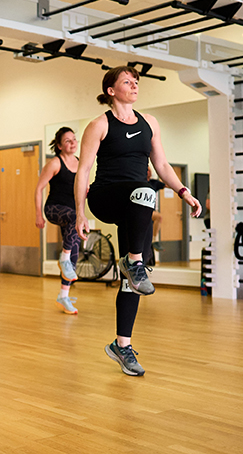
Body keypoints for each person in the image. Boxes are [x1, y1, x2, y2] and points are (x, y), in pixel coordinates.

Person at [75, 66, 201, 376]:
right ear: (111, 91)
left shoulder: (150, 124)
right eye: (127, 82)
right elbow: (83, 171)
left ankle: (122, 345)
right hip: (105, 196)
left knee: (134, 283)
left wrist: (184, 192)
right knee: (145, 193)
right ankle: (133, 263)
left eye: (136, 82)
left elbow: (161, 164)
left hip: (136, 204)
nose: (134, 86)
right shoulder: (99, 125)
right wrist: (79, 212)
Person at [35, 127, 81, 314]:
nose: (72, 143)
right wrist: (38, 214)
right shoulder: (55, 163)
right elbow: (39, 189)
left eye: (74, 139)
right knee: (72, 218)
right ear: (60, 146)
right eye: (67, 141)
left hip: (73, 212)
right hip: (54, 209)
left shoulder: (80, 162)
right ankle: (63, 258)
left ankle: (63, 295)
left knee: (75, 252)